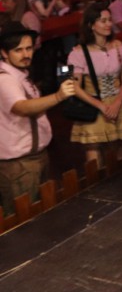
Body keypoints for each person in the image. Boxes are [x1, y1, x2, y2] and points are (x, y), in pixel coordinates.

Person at [0, 21, 76, 215]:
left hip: (33, 158)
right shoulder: (5, 79)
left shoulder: (20, 74)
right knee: (23, 221)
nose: (26, 54)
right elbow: (22, 107)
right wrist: (58, 96)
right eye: (18, 50)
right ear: (4, 53)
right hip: (19, 164)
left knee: (38, 217)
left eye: (29, 48)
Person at [67, 3, 122, 165]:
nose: (109, 24)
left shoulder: (118, 47)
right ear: (91, 25)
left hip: (119, 101)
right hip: (93, 103)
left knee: (121, 147)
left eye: (109, 20)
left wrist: (117, 102)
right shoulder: (79, 52)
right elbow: (75, 86)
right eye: (103, 21)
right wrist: (101, 106)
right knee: (94, 150)